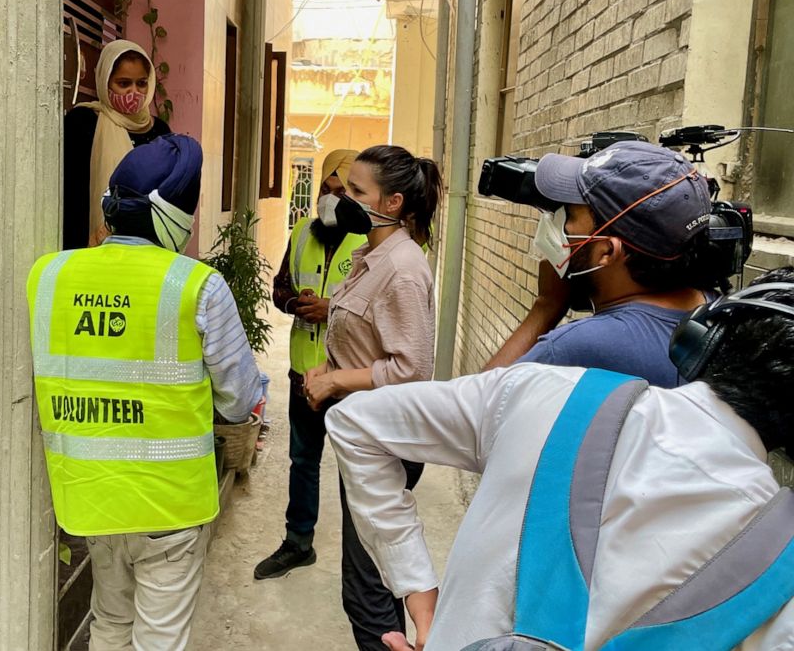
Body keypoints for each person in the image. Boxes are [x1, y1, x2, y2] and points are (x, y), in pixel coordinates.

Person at [326, 267, 794, 651]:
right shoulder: (780, 563)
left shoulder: (543, 391)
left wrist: (416, 586)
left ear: (701, 340)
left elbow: (355, 423)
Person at [27, 134, 261, 651]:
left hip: (89, 497)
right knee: (159, 638)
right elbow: (240, 400)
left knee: (109, 623)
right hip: (168, 505)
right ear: (177, 214)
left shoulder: (48, 274)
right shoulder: (196, 285)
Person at [303, 145, 443, 650]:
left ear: (395, 200)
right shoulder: (370, 256)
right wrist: (331, 366)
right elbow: (365, 337)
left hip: (387, 439)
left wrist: (338, 381)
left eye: (357, 192)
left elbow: (411, 368)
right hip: (364, 432)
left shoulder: (402, 268)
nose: (342, 198)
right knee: (370, 574)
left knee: (366, 586)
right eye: (345, 187)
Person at [485, 142, 716, 387]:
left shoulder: (574, 349)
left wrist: (546, 305)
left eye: (570, 215)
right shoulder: (715, 310)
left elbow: (476, 409)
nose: (556, 223)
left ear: (606, 251)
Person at [254, 149, 368, 580]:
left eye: (342, 192)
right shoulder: (302, 231)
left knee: (355, 469)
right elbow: (280, 287)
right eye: (326, 189)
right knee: (303, 461)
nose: (330, 199)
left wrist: (332, 309)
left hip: (351, 379)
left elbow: (379, 310)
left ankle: (361, 560)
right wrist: (296, 304)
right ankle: (298, 542)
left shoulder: (369, 240)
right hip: (304, 372)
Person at [64, 40, 172, 250]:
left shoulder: (159, 132)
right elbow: (70, 195)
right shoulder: (84, 122)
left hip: (147, 250)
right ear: (106, 81)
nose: (134, 92)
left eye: (141, 83)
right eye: (123, 83)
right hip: (89, 247)